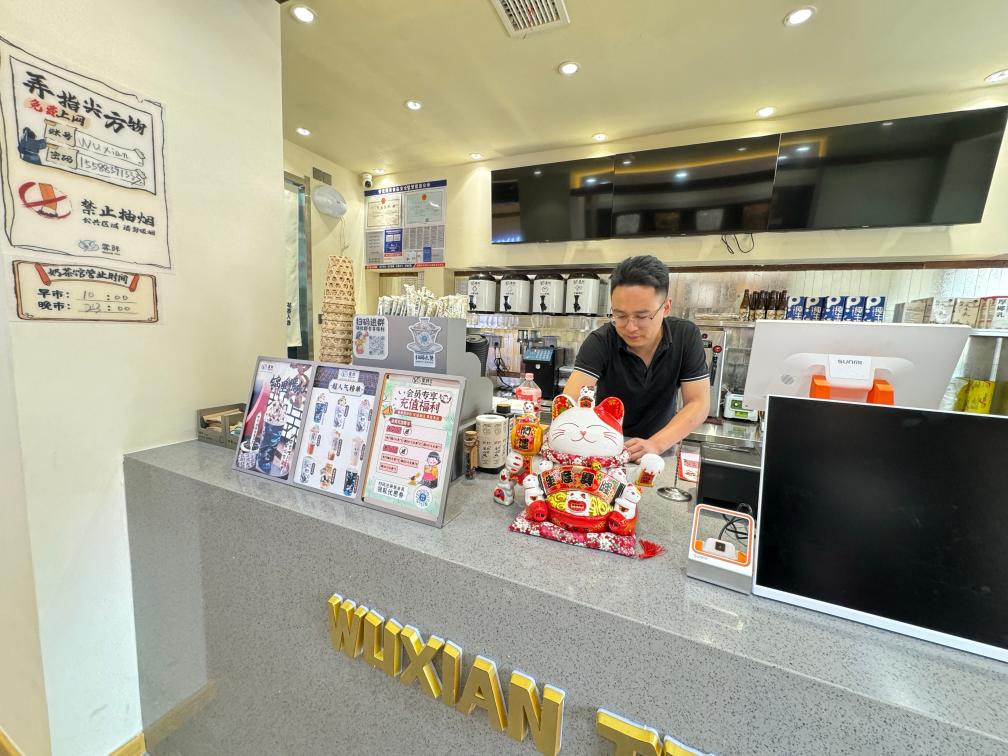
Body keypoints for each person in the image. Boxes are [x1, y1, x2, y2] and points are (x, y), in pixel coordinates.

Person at [563, 255, 710, 462]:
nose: (630, 327)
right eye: (620, 315)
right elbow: (569, 402)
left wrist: (655, 444)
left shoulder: (685, 336)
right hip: (605, 447)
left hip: (661, 448)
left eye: (642, 316)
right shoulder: (601, 341)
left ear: (666, 307)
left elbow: (698, 403)